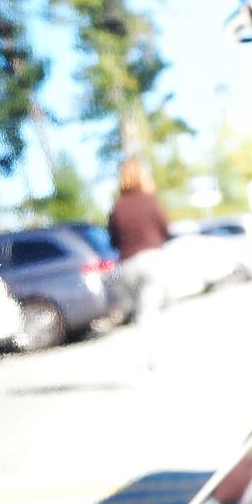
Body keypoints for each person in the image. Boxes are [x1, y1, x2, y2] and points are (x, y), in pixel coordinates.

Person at [107, 157, 170, 369]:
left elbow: (113, 240)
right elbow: (165, 227)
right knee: (152, 309)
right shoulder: (150, 200)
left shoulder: (117, 207)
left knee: (142, 312)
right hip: (151, 260)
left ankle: (148, 355)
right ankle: (156, 359)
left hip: (129, 265)